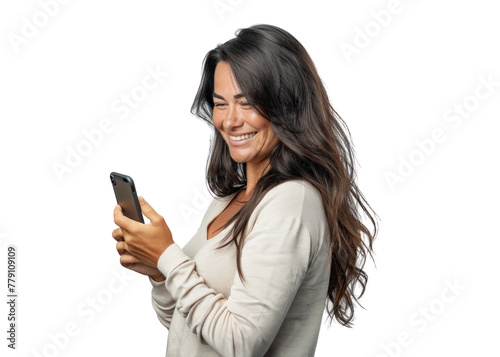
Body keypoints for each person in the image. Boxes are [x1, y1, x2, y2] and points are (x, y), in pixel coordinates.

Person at [112, 24, 378, 357]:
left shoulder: (291, 202)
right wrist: (158, 271)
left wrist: (168, 255)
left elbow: (241, 344)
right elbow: (181, 325)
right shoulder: (228, 199)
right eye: (220, 103)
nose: (230, 120)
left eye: (247, 102)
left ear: (287, 105)